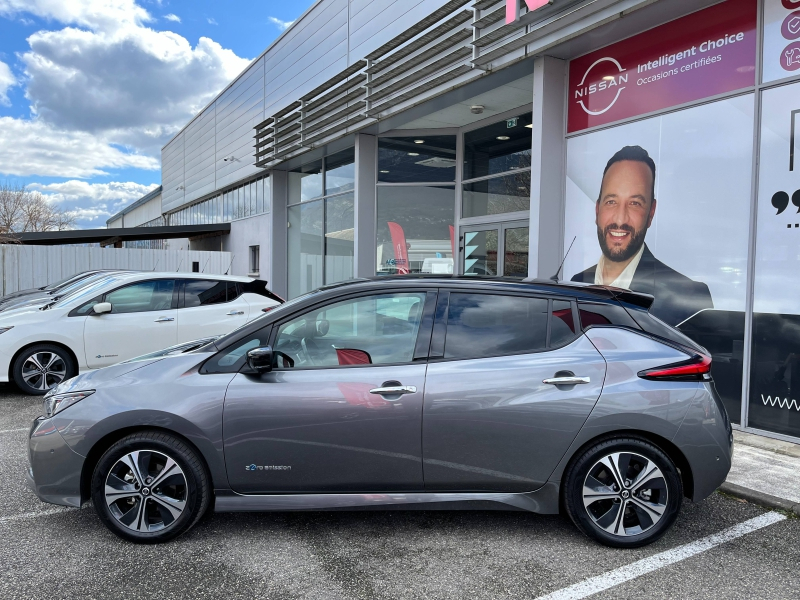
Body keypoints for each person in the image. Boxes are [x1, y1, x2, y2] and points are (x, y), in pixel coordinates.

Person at [571, 145, 713, 326]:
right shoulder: (576, 284)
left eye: (635, 203)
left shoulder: (690, 299)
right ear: (597, 209)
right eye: (611, 201)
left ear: (651, 213)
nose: (620, 219)